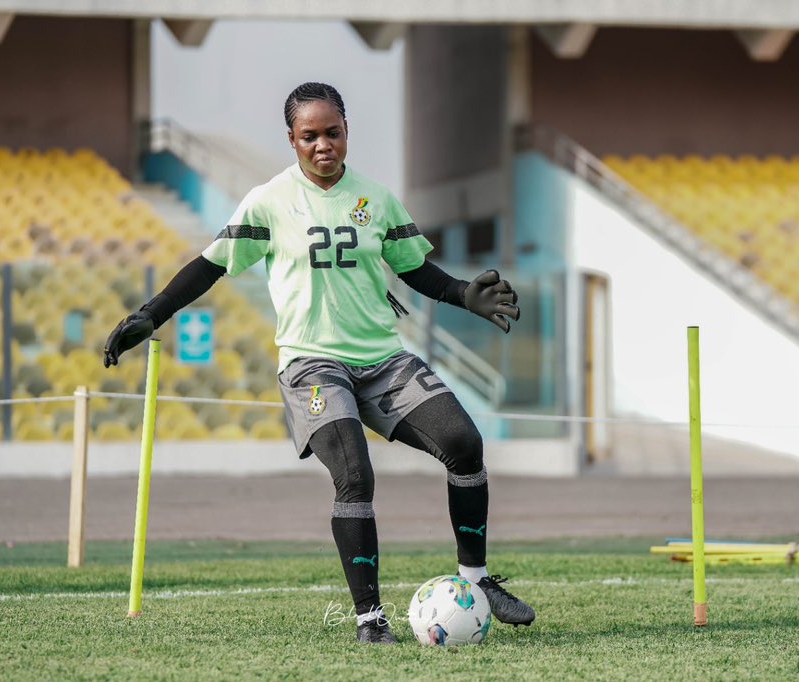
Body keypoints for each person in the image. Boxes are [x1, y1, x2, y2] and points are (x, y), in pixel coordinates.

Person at [104, 82, 535, 644]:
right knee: (355, 475)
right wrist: (152, 312)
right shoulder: (267, 201)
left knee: (464, 443)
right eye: (310, 136)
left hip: (382, 360)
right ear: (292, 139)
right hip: (312, 366)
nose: (323, 144)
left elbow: (413, 269)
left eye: (333, 132)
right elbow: (210, 266)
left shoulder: (376, 199)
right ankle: (370, 620)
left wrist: (461, 294)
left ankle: (476, 582)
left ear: (347, 133)